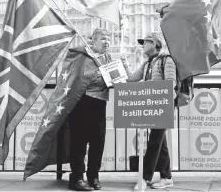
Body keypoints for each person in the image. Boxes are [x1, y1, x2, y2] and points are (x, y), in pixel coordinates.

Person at [122, 33, 176, 191]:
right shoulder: (147, 63)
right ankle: (166, 177)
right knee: (160, 142)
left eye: (145, 43)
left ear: (154, 44)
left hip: (162, 105)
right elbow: (132, 78)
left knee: (154, 141)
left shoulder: (167, 60)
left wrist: (155, 93)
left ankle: (144, 178)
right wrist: (124, 63)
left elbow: (171, 83)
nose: (142, 46)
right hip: (151, 105)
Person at [68, 28, 112, 191]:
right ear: (93, 41)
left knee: (98, 142)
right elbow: (74, 78)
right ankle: (77, 178)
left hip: (100, 104)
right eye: (103, 39)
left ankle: (93, 176)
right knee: (79, 142)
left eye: (108, 39)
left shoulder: (109, 59)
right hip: (82, 102)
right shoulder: (82, 56)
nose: (107, 42)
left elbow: (119, 80)